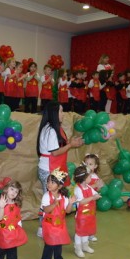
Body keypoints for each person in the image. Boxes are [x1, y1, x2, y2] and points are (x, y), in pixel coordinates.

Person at [36, 101, 83, 237]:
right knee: (49, 199)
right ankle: (43, 227)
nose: (63, 114)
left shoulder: (55, 129)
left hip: (54, 169)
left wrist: (71, 143)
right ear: (53, 113)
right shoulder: (50, 130)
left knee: (53, 199)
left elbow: (59, 146)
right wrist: (71, 145)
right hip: (49, 170)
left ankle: (51, 224)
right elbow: (55, 152)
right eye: (61, 111)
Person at [40, 168, 76, 259]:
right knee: (50, 244)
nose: (49, 184)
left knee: (58, 244)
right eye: (48, 182)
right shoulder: (46, 196)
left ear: (60, 186)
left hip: (60, 225)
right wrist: (54, 204)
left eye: (52, 182)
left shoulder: (63, 197)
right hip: (49, 224)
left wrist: (70, 203)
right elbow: (46, 209)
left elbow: (68, 211)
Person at [0, 180, 27, 259]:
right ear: (6, 189)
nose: (13, 193)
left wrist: (19, 228)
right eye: (12, 189)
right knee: (0, 249)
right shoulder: (0, 204)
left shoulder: (16, 205)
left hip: (13, 232)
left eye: (16, 191)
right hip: (2, 233)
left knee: (12, 249)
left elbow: (18, 218)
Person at [73, 165, 101, 258]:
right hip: (81, 216)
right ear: (84, 178)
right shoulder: (78, 189)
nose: (91, 178)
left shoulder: (89, 187)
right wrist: (93, 197)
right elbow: (81, 202)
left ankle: (85, 246)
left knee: (87, 230)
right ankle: (78, 248)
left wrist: (97, 194)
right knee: (80, 232)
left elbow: (95, 193)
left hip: (90, 215)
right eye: (89, 176)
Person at [83, 153, 104, 242]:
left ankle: (90, 234)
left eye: (90, 164)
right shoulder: (83, 176)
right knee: (84, 218)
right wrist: (95, 185)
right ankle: (83, 234)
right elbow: (83, 189)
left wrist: (99, 186)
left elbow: (96, 189)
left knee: (91, 217)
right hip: (84, 202)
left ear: (95, 166)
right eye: (86, 163)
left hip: (92, 202)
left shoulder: (95, 176)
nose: (88, 166)